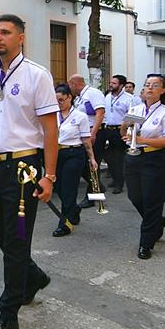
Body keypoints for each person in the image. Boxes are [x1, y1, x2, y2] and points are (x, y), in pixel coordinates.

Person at [0, 14, 59, 329]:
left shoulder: (38, 76)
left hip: (24, 169)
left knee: (18, 238)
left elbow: (51, 129)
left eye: (4, 32)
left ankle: (8, 314)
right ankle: (31, 277)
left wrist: (49, 176)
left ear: (21, 37)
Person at [122, 74, 165, 259]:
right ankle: (157, 222)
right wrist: (126, 128)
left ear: (162, 90)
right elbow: (125, 131)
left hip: (154, 159)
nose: (150, 88)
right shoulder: (135, 108)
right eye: (147, 85)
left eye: (155, 85)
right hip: (134, 157)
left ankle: (146, 243)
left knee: (151, 200)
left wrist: (142, 140)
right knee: (135, 196)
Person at [51, 83, 96, 237]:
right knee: (58, 187)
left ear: (70, 97)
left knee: (69, 188)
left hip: (74, 153)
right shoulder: (52, 115)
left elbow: (85, 139)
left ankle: (65, 222)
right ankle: (74, 209)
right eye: (56, 100)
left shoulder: (80, 116)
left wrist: (92, 158)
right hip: (55, 154)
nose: (59, 103)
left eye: (62, 100)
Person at [68, 74, 106, 208]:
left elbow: (100, 113)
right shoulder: (79, 98)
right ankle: (98, 187)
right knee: (84, 164)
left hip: (93, 132)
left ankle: (92, 197)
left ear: (74, 83)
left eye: (70, 84)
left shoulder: (93, 93)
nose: (69, 88)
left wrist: (93, 133)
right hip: (83, 133)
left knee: (92, 164)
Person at [102, 74, 134, 194]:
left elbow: (132, 116)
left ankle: (119, 184)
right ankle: (116, 177)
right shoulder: (107, 96)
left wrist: (127, 131)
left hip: (120, 130)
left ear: (121, 85)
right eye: (111, 83)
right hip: (108, 129)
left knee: (118, 157)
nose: (111, 85)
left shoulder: (128, 98)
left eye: (114, 83)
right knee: (109, 157)